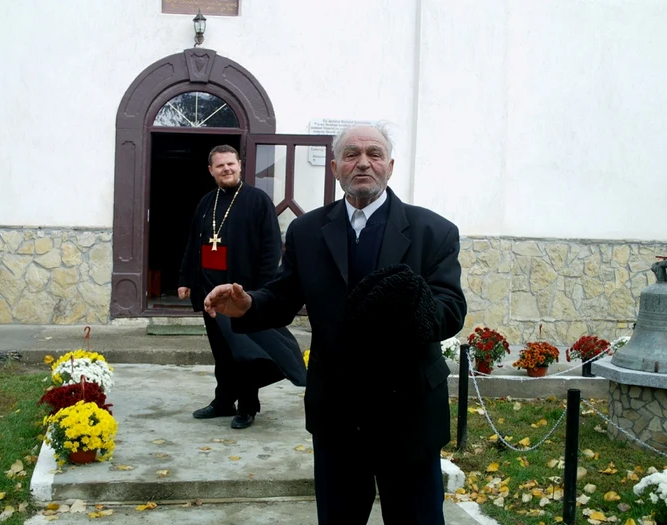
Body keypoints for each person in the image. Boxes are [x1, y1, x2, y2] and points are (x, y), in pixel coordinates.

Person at [203, 125, 467, 524]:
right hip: (338, 413)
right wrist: (248, 305)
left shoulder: (434, 232)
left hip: (409, 412)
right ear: (335, 168)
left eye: (374, 154)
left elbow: (451, 308)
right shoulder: (307, 231)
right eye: (351, 154)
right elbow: (282, 297)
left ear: (390, 167)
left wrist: (411, 307)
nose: (363, 162)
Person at [178, 144, 306, 430]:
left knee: (246, 355)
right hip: (210, 294)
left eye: (231, 164)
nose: (226, 169)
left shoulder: (257, 200)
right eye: (220, 165)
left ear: (239, 165)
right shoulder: (206, 202)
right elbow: (193, 244)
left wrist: (259, 293)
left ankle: (247, 407)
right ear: (211, 170)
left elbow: (271, 249)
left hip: (241, 295)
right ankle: (223, 401)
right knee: (222, 354)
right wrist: (185, 280)